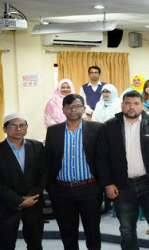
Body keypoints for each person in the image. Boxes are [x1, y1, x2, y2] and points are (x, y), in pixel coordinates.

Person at [97, 91, 149, 250]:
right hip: (122, 187)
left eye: (136, 103)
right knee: (127, 229)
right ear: (122, 105)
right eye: (128, 103)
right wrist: (108, 184)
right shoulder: (110, 126)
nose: (132, 107)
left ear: (142, 105)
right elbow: (102, 158)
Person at [45, 94, 103, 250]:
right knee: (67, 232)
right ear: (62, 110)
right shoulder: (53, 131)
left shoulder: (97, 128)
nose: (73, 110)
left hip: (89, 189)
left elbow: (103, 158)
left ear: (84, 109)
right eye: (68, 107)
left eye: (77, 106)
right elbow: (48, 161)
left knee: (92, 231)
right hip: (61, 191)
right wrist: (51, 187)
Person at [0, 113, 47, 250]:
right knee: (5, 244)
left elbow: (43, 175)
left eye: (22, 126)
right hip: (6, 206)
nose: (18, 129)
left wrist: (30, 197)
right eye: (13, 126)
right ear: (5, 129)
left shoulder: (37, 147)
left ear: (26, 128)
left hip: (33, 204)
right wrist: (18, 201)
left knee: (35, 243)